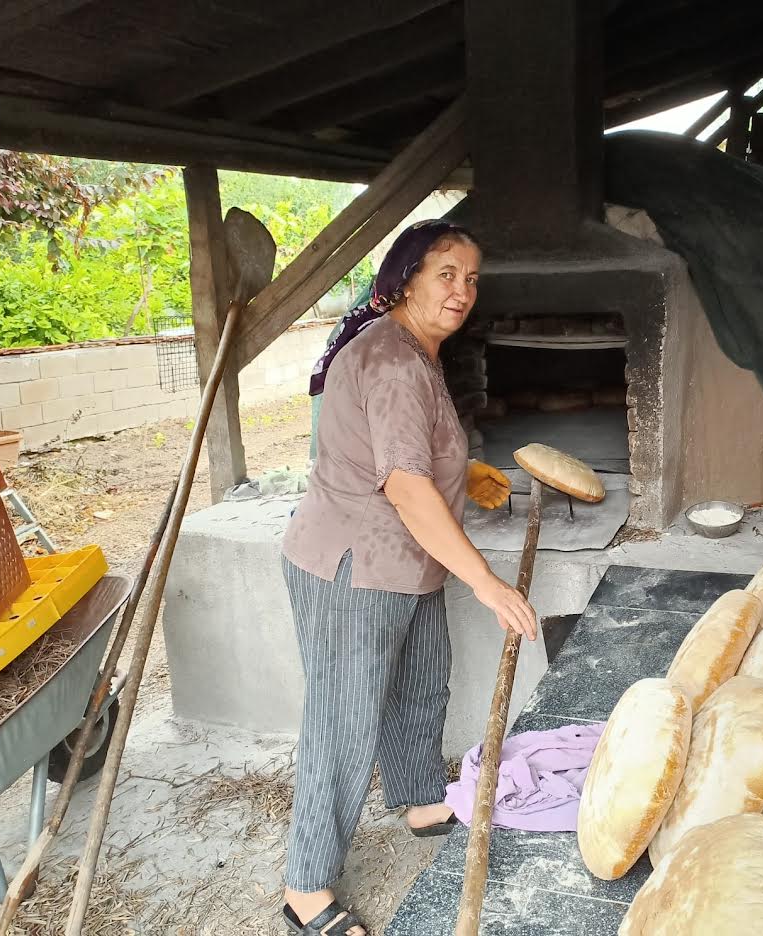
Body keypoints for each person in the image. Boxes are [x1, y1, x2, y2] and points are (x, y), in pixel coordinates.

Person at [278, 219, 534, 936]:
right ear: (407, 275)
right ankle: (304, 888)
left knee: (424, 678)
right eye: (446, 273)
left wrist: (463, 472)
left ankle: (419, 798)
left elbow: (411, 460)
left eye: (472, 278)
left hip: (411, 559)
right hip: (354, 566)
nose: (462, 291)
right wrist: (487, 581)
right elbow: (406, 488)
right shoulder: (391, 361)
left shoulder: (415, 351)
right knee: (343, 717)